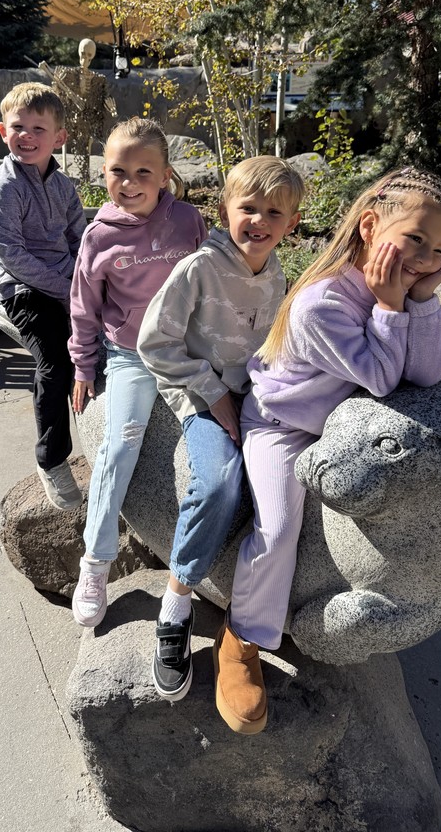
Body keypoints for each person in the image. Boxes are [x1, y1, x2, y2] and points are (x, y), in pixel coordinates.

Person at [214, 166, 441, 735]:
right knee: (277, 528)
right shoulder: (322, 302)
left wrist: (420, 298)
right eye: (416, 239)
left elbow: (425, 372)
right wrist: (393, 305)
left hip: (340, 427)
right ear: (371, 226)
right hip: (283, 427)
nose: (427, 256)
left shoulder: (399, 290)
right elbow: (383, 378)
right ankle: (242, 637)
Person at [138, 156, 305, 701]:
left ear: (292, 224)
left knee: (282, 488)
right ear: (223, 210)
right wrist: (213, 395)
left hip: (253, 396)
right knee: (218, 484)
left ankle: (255, 614)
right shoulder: (197, 270)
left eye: (272, 213)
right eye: (247, 208)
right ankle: (177, 602)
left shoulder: (278, 273)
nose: (258, 221)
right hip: (199, 391)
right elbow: (154, 344)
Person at [69, 117, 207, 627]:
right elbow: (84, 305)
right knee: (121, 442)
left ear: (166, 175)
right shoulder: (98, 238)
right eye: (117, 171)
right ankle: (96, 562)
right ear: (103, 173)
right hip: (131, 356)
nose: (129, 183)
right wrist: (84, 366)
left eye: (142, 172)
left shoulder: (188, 221)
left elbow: (209, 283)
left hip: (186, 349)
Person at [0, 82, 86, 510]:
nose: (27, 135)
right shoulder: (3, 188)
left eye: (38, 128)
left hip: (65, 283)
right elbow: (10, 254)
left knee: (107, 346)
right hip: (22, 289)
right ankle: (52, 459)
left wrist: (89, 281)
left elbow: (81, 238)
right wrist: (67, 292)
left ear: (58, 137)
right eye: (18, 127)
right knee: (56, 363)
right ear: (3, 131)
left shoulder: (63, 186)